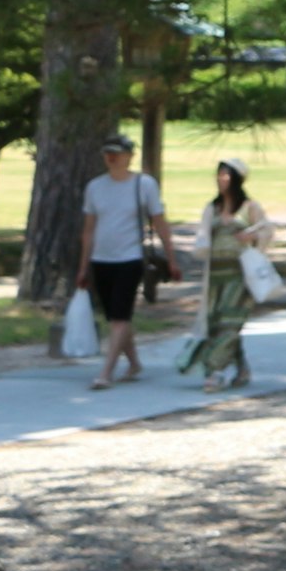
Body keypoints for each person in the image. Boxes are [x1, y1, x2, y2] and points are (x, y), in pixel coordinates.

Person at [76, 134, 173, 389]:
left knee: (120, 316)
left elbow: (160, 222)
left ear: (129, 156)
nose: (112, 157)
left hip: (130, 258)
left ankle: (106, 372)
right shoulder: (95, 187)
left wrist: (171, 257)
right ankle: (134, 362)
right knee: (115, 316)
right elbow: (88, 230)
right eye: (108, 152)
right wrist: (83, 267)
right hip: (101, 258)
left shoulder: (144, 185)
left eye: (117, 153)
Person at [180, 157, 265, 389]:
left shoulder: (250, 207)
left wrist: (251, 236)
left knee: (230, 322)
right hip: (216, 274)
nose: (221, 179)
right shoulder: (213, 207)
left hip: (240, 274)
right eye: (219, 175)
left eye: (226, 175)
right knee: (217, 323)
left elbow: (266, 232)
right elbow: (203, 238)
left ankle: (214, 371)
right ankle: (242, 368)